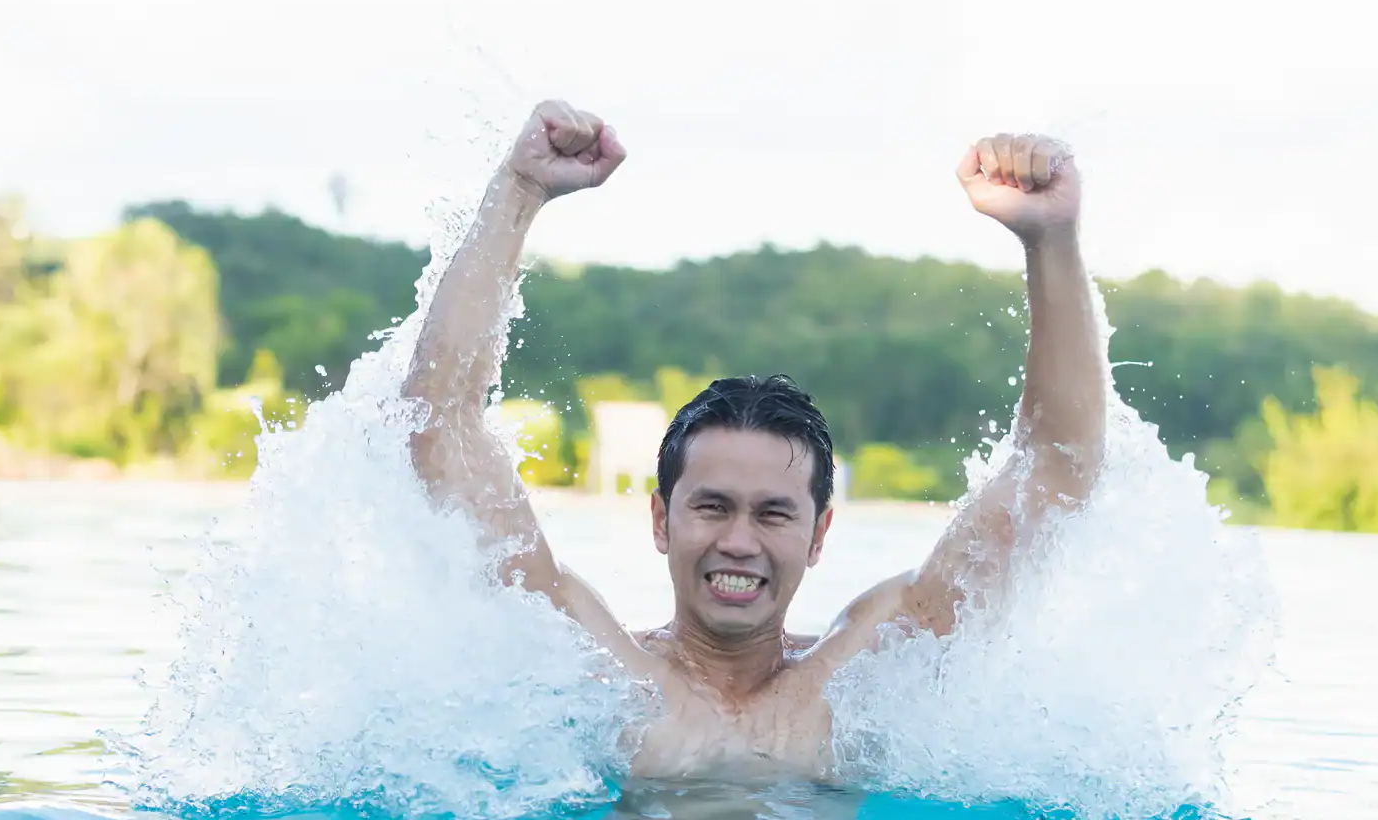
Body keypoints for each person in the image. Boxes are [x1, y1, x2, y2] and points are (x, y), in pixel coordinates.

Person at [405, 101, 1104, 783]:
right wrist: (519, 192)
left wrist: (1050, 242)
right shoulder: (595, 673)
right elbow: (438, 423)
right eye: (712, 506)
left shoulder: (861, 684)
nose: (739, 540)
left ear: (818, 533)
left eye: (772, 513)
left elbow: (1055, 469)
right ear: (660, 518)